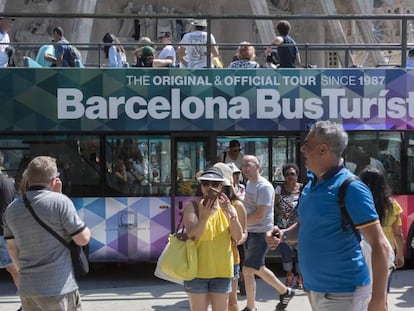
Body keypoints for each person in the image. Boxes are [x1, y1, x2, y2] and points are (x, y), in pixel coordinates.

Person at [266, 121, 390, 311]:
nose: (302, 149)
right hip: (315, 290)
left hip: (344, 294)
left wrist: (378, 300)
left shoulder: (351, 188)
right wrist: (282, 235)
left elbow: (380, 245)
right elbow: (303, 226)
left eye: (307, 144)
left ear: (323, 149)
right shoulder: (310, 186)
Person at [3, 155, 91, 311]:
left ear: (28, 178)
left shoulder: (11, 210)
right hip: (58, 288)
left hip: (28, 289)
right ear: (53, 180)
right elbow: (82, 239)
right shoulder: (60, 202)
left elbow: (12, 249)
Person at [183, 167, 243, 311]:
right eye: (206, 183)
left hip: (222, 271)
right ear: (201, 186)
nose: (210, 187)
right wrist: (204, 216)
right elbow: (192, 235)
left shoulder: (228, 207)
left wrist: (231, 214)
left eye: (215, 184)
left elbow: (238, 237)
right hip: (196, 271)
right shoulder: (192, 207)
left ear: (221, 186)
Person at [241, 155, 295, 311]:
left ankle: (282, 292)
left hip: (261, 233)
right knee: (255, 268)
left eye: (248, 165)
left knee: (249, 269)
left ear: (258, 166)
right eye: (242, 165)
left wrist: (238, 222)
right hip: (251, 232)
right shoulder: (249, 184)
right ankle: (255, 305)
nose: (244, 168)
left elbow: (259, 214)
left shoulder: (264, 187)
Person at [358, 166, 405, 284]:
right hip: (385, 252)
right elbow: (398, 234)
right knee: (382, 293)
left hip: (361, 252)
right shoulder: (392, 205)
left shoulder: (358, 202)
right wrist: (400, 254)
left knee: (364, 293)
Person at [214, 162, 248, 311]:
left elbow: (244, 234)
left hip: (230, 258)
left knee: (231, 301)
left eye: (217, 184)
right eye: (208, 183)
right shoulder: (204, 205)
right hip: (207, 258)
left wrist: (235, 240)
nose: (213, 188)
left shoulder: (237, 205)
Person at [274, 163, 303, 289]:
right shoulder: (279, 189)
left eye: (292, 174)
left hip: (298, 226)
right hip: (284, 226)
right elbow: (274, 207)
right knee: (285, 252)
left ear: (297, 175)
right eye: (287, 174)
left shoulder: (302, 188)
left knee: (300, 252)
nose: (290, 177)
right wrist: (281, 213)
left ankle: (300, 277)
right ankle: (289, 274)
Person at [0, 151, 21, 311]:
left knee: (13, 268)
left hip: (1, 231)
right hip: (5, 229)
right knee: (13, 268)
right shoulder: (8, 182)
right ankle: (28, 299)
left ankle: (29, 300)